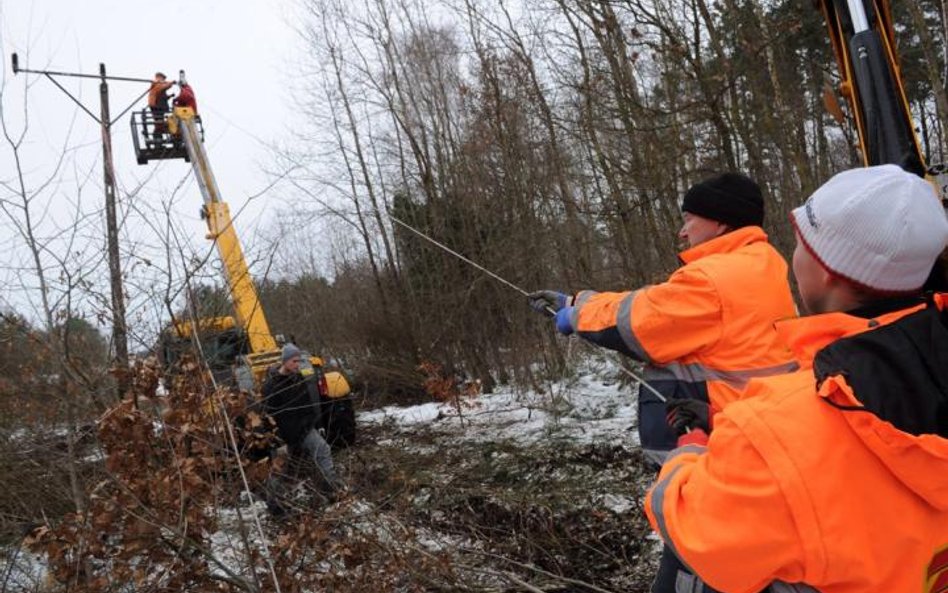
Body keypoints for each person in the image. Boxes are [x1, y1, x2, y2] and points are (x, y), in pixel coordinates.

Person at [644, 164, 948, 592]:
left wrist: (689, 452)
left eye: (802, 242)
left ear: (825, 270)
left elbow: (697, 533)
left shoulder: (772, 431)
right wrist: (731, 421)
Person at [530, 172, 798, 593]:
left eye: (690, 218)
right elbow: (654, 303)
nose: (682, 228)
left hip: (720, 453)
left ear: (720, 223)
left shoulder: (712, 278)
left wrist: (575, 316)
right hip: (761, 443)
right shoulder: (763, 264)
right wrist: (580, 302)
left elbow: (637, 321)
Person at [262, 343, 342, 513]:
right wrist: (277, 440)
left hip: (304, 430)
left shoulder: (299, 379)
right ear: (284, 361)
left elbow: (308, 405)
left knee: (323, 450)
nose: (297, 365)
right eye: (294, 361)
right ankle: (274, 506)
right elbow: (268, 415)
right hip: (284, 436)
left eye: (298, 361)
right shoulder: (271, 386)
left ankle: (333, 490)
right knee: (281, 469)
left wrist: (315, 425)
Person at [147, 72, 174, 136]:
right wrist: (171, 83)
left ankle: (159, 134)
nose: (164, 80)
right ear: (160, 77)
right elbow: (162, 88)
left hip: (158, 106)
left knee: (160, 120)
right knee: (159, 121)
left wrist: (170, 96)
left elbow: (162, 97)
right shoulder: (157, 83)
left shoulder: (159, 84)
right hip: (156, 106)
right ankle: (157, 134)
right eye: (163, 78)